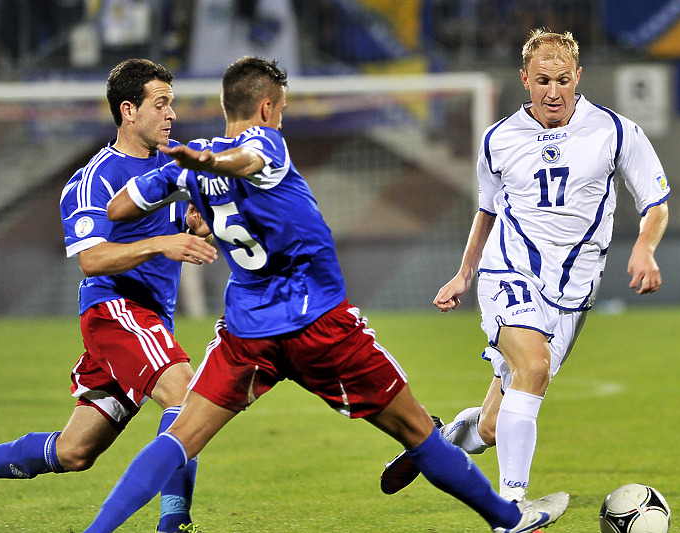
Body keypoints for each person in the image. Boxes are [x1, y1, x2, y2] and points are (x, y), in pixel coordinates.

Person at [80, 56, 569, 533]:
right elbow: (246, 159)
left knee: (182, 435)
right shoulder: (263, 142)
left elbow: (120, 208)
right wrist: (210, 162)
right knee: (418, 429)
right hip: (320, 323)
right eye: (283, 108)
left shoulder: (185, 169)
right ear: (268, 108)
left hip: (247, 333)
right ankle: (510, 518)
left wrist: (187, 179)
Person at [380, 28, 670, 502]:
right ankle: (512, 508)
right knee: (533, 366)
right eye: (542, 81)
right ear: (524, 80)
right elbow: (488, 211)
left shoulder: (615, 131)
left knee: (493, 428)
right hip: (509, 271)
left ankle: (433, 442)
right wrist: (465, 272)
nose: (552, 92)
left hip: (574, 292)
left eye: (562, 80)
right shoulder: (499, 139)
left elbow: (655, 202)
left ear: (578, 76)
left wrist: (645, 247)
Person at [0, 58, 217, 533]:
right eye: (160, 104)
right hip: (115, 311)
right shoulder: (95, 179)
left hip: (148, 321)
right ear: (128, 110)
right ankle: (176, 525)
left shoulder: (173, 165)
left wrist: (197, 225)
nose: (171, 114)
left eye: (172, 104)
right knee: (185, 395)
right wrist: (161, 243)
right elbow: (92, 259)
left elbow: (190, 224)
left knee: (74, 451)